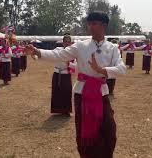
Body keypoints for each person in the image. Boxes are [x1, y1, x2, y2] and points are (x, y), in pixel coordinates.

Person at [26, 11, 126, 158]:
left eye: (94, 24)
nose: (90, 27)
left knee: (109, 130)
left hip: (101, 92)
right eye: (89, 23)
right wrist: (37, 51)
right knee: (85, 132)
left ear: (104, 25)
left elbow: (122, 69)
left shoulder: (112, 48)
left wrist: (102, 70)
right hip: (82, 92)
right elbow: (59, 55)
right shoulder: (81, 46)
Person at [50, 35, 75, 116]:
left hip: (66, 74)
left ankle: (66, 110)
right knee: (56, 91)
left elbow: (75, 65)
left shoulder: (73, 53)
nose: (67, 43)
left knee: (67, 92)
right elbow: (49, 55)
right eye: (65, 41)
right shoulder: (57, 50)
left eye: (69, 42)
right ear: (63, 43)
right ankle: (57, 110)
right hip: (57, 73)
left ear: (71, 43)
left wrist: (69, 64)